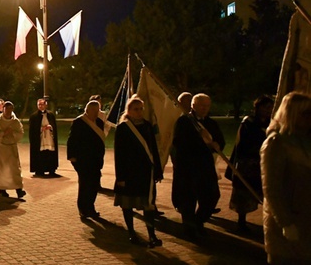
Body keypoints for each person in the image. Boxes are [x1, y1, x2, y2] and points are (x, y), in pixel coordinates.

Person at [261, 91, 311, 265]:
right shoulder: (276, 143)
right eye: (306, 113)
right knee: (285, 264)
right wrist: (285, 221)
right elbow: (271, 187)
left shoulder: (307, 140)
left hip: (308, 213)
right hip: (288, 215)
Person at [171, 93, 225, 238]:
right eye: (201, 105)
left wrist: (217, 144)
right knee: (188, 201)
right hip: (188, 168)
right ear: (193, 106)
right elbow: (179, 143)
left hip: (206, 168)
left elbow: (220, 141)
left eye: (207, 105)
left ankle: (198, 221)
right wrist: (202, 144)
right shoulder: (184, 122)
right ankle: (189, 229)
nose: (204, 108)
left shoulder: (211, 123)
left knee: (212, 196)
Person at [114, 96, 164, 247]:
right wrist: (120, 177)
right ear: (129, 111)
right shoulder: (123, 128)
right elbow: (119, 154)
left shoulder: (147, 125)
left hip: (145, 173)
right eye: (136, 109)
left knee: (148, 206)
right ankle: (132, 233)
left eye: (141, 109)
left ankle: (152, 235)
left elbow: (154, 149)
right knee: (128, 205)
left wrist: (158, 170)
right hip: (129, 172)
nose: (139, 112)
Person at [229, 95, 273, 234]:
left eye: (270, 108)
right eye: (265, 107)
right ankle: (241, 223)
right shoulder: (248, 122)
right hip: (248, 164)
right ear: (258, 107)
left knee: (266, 193)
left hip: (264, 163)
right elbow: (243, 144)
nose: (268, 110)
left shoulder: (271, 123)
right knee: (244, 194)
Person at [67, 100, 106, 218]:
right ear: (87, 110)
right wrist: (72, 156)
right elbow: (72, 140)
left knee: (94, 185)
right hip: (82, 159)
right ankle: (83, 209)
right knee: (84, 185)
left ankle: (91, 207)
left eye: (97, 110)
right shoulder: (79, 122)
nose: (95, 113)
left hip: (95, 160)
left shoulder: (99, 122)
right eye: (93, 110)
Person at [0, 101, 26, 198]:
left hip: (12, 147)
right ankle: (2, 190)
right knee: (1, 170)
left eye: (10, 109)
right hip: (1, 148)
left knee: (15, 169)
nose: (8, 111)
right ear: (3, 109)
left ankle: (19, 190)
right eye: (6, 109)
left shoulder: (16, 122)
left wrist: (13, 134)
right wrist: (4, 133)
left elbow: (20, 133)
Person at [29, 98, 59, 177]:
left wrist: (50, 127)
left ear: (46, 105)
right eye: (39, 104)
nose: (41, 106)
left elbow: (54, 126)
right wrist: (41, 129)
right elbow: (32, 130)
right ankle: (39, 170)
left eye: (42, 104)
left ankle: (51, 170)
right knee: (40, 154)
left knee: (50, 153)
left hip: (49, 137)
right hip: (40, 139)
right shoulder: (34, 117)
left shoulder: (51, 115)